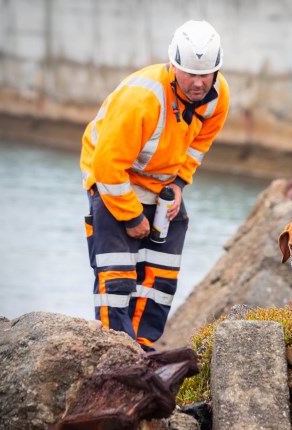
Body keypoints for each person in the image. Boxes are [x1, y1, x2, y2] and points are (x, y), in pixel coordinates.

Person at [80, 20, 229, 351]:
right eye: (190, 73)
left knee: (160, 278)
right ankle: (115, 352)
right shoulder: (141, 98)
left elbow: (197, 146)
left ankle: (142, 351)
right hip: (115, 181)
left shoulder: (218, 99)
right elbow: (107, 166)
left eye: (206, 74)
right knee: (116, 277)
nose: (198, 82)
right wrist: (132, 217)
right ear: (173, 66)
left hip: (162, 184)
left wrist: (178, 184)